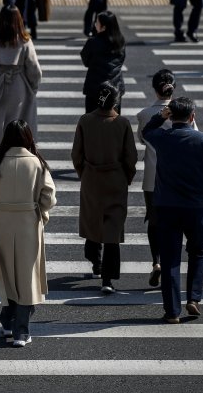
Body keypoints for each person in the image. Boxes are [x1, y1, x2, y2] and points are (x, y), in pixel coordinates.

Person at [142, 96, 203, 324]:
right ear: (192, 116)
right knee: (198, 252)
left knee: (169, 259)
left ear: (172, 115)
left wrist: (160, 116)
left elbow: (146, 131)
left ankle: (172, 311)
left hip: (167, 207)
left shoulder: (163, 138)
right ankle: (194, 298)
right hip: (197, 208)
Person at [0, 119, 56, 347]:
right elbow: (49, 197)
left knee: (6, 272)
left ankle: (7, 320)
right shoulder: (37, 162)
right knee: (27, 275)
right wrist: (41, 212)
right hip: (28, 221)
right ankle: (21, 331)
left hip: (3, 220)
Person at [71, 83, 137, 293]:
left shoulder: (85, 120)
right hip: (115, 178)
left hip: (91, 176)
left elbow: (76, 155)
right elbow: (131, 157)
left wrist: (84, 173)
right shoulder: (122, 123)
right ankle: (107, 279)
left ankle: (95, 261)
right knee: (113, 228)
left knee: (92, 219)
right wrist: (127, 176)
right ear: (116, 101)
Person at [135, 69, 197, 288]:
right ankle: (173, 264)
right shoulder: (184, 112)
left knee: (154, 220)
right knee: (177, 221)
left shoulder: (144, 114)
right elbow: (193, 138)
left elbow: (143, 139)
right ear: (174, 87)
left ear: (154, 87)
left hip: (153, 176)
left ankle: (156, 261)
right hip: (179, 177)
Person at [0, 6, 42, 145]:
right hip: (19, 85)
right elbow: (35, 70)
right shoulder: (24, 41)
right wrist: (32, 88)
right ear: (19, 20)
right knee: (18, 123)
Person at [80, 11, 125, 113]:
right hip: (115, 86)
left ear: (103, 27)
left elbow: (86, 61)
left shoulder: (93, 42)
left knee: (92, 122)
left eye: (97, 22)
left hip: (94, 88)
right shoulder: (120, 41)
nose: (95, 24)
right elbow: (121, 61)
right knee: (113, 121)